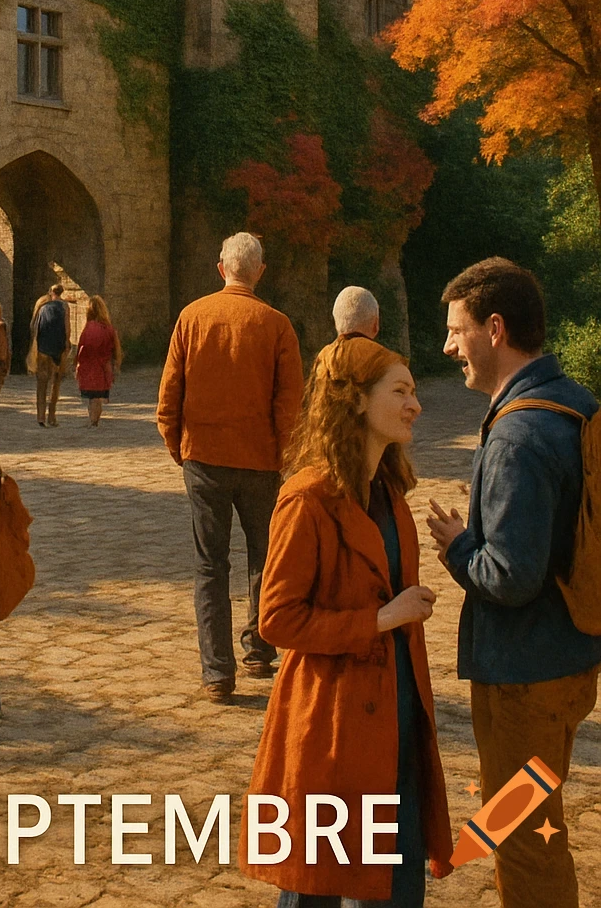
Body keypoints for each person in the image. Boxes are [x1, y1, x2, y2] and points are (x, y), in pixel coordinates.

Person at [240, 334, 453, 907]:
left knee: (393, 883)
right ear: (355, 400)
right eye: (401, 391)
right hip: (331, 723)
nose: (415, 404)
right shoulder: (306, 497)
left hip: (397, 712)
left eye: (413, 391)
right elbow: (277, 619)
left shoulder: (389, 491)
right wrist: (380, 618)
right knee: (319, 887)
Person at [427, 257, 601, 908]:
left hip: (524, 674)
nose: (449, 346)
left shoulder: (519, 433)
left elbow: (510, 575)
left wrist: (459, 545)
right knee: (532, 819)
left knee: (528, 847)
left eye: (456, 329)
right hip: (570, 656)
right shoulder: (575, 402)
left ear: (494, 329)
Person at [157, 232, 305, 699]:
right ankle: (259, 649)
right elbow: (289, 404)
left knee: (209, 565)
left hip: (204, 456)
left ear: (222, 268)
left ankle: (217, 673)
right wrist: (287, 456)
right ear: (259, 271)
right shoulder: (277, 325)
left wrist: (178, 444)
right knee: (264, 556)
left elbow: (170, 393)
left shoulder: (192, 317)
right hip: (261, 460)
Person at [76, 294, 122, 426]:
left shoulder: (88, 328)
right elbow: (116, 350)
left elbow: (81, 348)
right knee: (97, 397)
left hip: (89, 367)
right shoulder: (109, 329)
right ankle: (94, 420)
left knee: (92, 397)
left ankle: (92, 419)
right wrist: (116, 365)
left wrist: (77, 364)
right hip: (103, 367)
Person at [29, 282, 70, 427]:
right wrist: (66, 345)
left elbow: (34, 328)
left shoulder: (41, 306)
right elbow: (67, 330)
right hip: (57, 349)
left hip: (42, 348)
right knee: (55, 382)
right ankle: (51, 416)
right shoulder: (64, 307)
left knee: (41, 382)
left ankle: (40, 416)